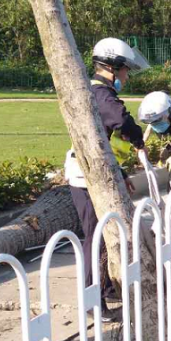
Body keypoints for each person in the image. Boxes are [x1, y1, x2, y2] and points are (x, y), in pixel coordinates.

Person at [65, 37, 150, 319]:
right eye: (125, 70)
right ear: (112, 67)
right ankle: (92, 300)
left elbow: (101, 143)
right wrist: (138, 141)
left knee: (102, 234)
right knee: (94, 238)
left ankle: (106, 287)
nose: (126, 76)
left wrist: (121, 172)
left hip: (96, 168)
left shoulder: (97, 91)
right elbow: (122, 122)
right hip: (84, 175)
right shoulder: (102, 94)